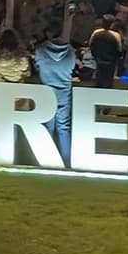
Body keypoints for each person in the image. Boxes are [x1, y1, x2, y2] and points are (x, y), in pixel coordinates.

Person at [31, 29, 76, 162]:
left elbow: (37, 66)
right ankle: (66, 158)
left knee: (47, 126)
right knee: (64, 126)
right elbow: (72, 69)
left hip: (46, 90)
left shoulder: (40, 49)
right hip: (64, 91)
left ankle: (45, 158)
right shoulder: (71, 51)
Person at [86, 15, 123, 87]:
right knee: (108, 80)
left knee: (99, 79)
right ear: (112, 24)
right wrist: (118, 57)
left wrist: (95, 55)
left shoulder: (96, 32)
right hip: (111, 61)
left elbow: (91, 44)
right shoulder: (116, 35)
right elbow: (119, 49)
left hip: (98, 59)